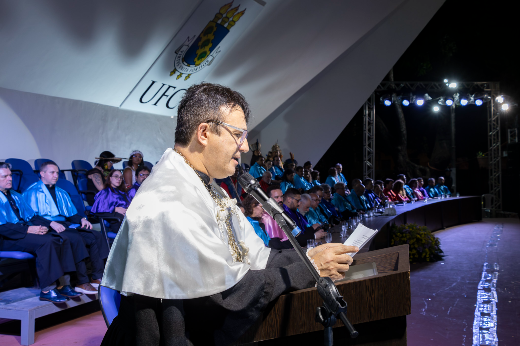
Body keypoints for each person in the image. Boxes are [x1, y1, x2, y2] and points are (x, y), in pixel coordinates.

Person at [100, 83, 357, 346]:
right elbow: (226, 296)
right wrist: (309, 269)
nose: (245, 146)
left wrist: (308, 256)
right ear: (204, 133)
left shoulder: (204, 185)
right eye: (238, 134)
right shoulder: (171, 198)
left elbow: (253, 256)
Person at [0, 163, 81, 302]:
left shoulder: (15, 195)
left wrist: (48, 224)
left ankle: (64, 284)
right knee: (46, 242)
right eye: (4, 176)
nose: (9, 179)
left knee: (60, 237)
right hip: (6, 238)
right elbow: (2, 227)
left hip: (22, 233)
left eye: (10, 175)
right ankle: (47, 289)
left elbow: (32, 217)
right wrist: (29, 229)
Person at [23, 161, 105, 294]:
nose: (56, 175)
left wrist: (82, 219)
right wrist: (50, 223)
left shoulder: (61, 192)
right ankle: (82, 281)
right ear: (42, 174)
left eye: (57, 172)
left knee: (95, 235)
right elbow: (30, 217)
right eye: (52, 172)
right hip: (46, 226)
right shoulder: (31, 192)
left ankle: (96, 277)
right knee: (75, 238)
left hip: (63, 225)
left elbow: (72, 214)